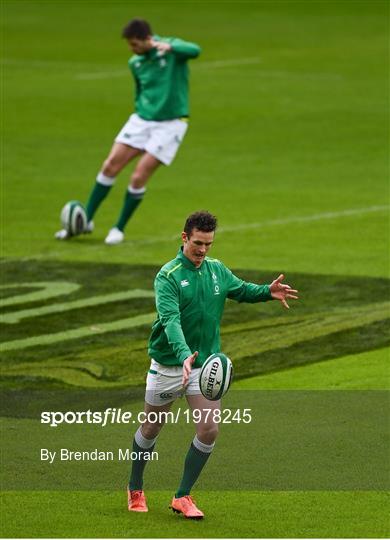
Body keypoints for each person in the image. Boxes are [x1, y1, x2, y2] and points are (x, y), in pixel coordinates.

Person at [127, 210, 299, 519]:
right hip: (169, 365)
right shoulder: (167, 276)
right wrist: (182, 355)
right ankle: (135, 486)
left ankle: (182, 496)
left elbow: (242, 289)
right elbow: (170, 320)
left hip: (205, 367)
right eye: (198, 244)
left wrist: (267, 292)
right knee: (152, 427)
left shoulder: (217, 270)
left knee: (209, 429)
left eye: (208, 244)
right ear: (184, 238)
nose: (203, 251)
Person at [55, 19, 201, 244]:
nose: (132, 49)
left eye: (135, 44)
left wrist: (170, 46)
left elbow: (195, 50)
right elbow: (139, 91)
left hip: (171, 124)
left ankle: (118, 228)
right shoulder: (136, 63)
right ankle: (85, 221)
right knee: (110, 165)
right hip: (142, 119)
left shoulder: (170, 50)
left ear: (146, 39)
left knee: (138, 175)